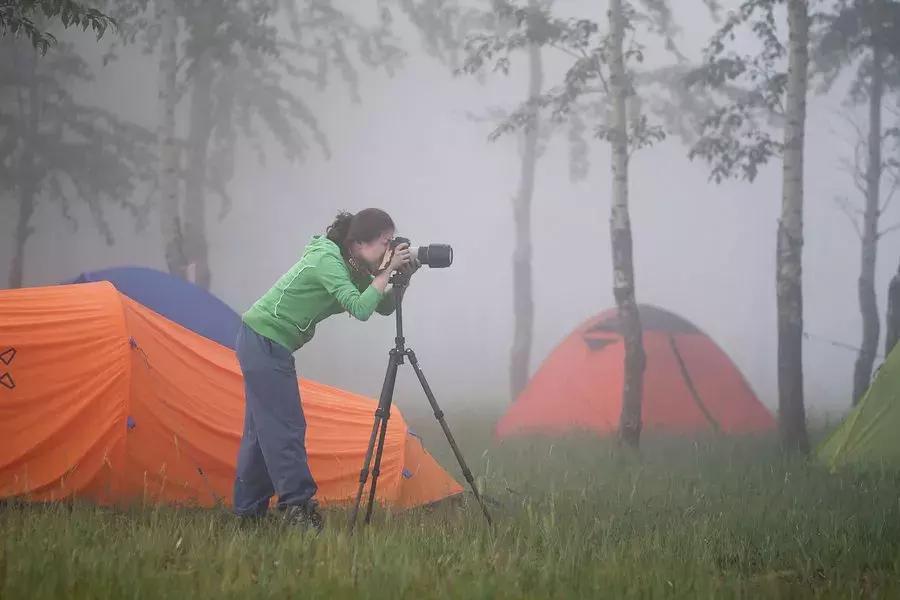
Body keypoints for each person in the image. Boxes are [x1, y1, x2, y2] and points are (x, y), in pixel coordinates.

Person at [233, 208, 415, 531]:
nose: (390, 249)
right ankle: (298, 508)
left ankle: (248, 514)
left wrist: (403, 278)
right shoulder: (328, 261)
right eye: (386, 242)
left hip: (265, 341)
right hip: (264, 340)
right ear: (359, 243)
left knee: (261, 434)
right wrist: (384, 275)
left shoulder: (355, 266)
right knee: (286, 428)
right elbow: (360, 310)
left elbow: (381, 307)